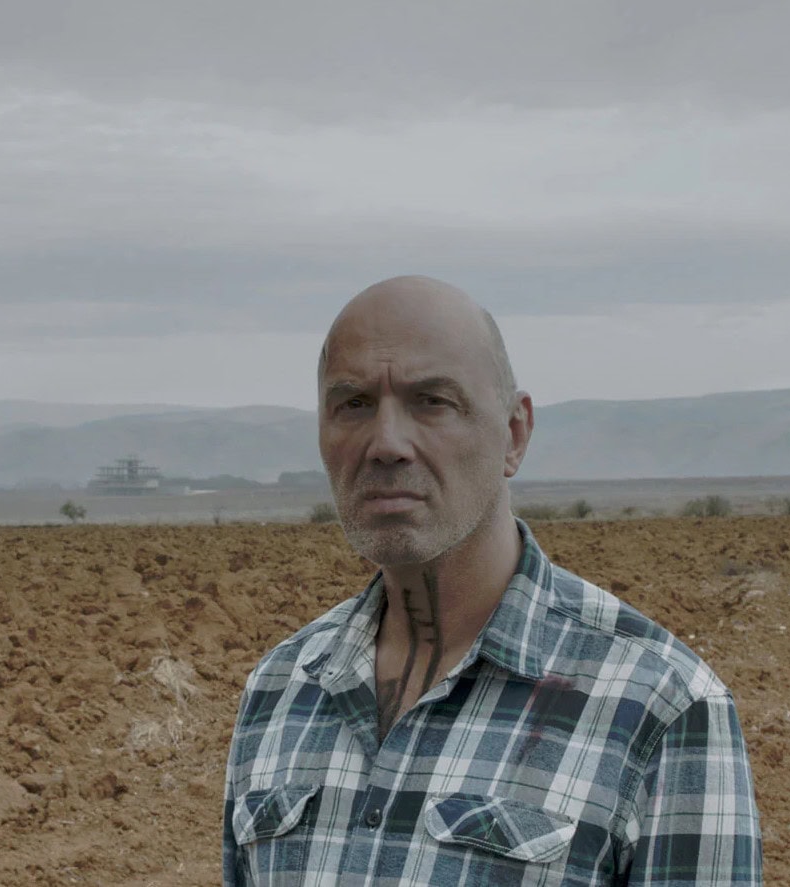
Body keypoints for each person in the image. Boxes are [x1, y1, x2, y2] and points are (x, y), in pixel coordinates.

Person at [222, 276, 762, 885]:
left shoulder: (661, 707)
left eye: (432, 401)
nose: (386, 443)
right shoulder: (280, 689)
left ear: (514, 434)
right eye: (354, 404)